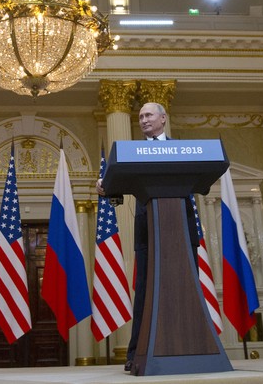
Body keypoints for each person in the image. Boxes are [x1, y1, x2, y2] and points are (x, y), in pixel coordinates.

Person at [96, 102, 199, 372]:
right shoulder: (133, 153)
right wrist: (106, 187)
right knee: (144, 290)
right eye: (140, 116)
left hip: (182, 228)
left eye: (148, 115)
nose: (143, 120)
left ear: (163, 118)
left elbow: (202, 181)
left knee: (187, 288)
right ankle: (136, 354)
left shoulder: (184, 150)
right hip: (147, 231)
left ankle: (195, 346)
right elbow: (118, 189)